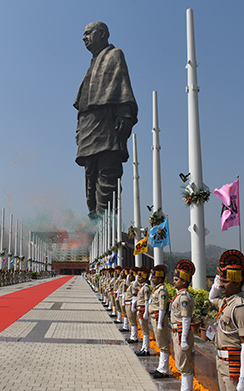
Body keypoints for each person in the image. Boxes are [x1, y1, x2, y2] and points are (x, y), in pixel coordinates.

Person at [74, 21, 138, 220]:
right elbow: (82, 102)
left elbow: (122, 85)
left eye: (88, 33)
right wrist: (79, 129)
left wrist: (125, 114)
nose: (84, 38)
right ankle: (95, 227)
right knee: (90, 182)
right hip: (88, 127)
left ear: (101, 33)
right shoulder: (92, 64)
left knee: (107, 179)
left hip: (107, 124)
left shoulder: (114, 54)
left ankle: (107, 230)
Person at [209, 250, 244, 391]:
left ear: (237, 282)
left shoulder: (240, 307)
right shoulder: (226, 303)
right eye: (221, 281)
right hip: (221, 363)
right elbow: (211, 298)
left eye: (225, 281)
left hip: (233, 367)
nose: (221, 285)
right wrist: (215, 285)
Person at [170, 260, 196, 391]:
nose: (173, 282)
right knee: (181, 362)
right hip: (177, 333)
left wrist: (184, 338)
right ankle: (184, 389)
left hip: (181, 333)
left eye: (176, 279)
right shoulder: (179, 296)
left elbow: (186, 319)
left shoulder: (184, 298)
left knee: (184, 363)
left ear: (184, 282)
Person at [149, 264, 170, 378]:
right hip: (155, 317)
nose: (152, 279)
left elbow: (162, 307)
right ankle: (160, 367)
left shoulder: (162, 290)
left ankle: (163, 369)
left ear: (160, 279)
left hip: (158, 318)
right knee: (160, 343)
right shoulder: (156, 289)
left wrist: (160, 322)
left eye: (154, 278)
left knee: (163, 344)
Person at [135, 266, 151, 356]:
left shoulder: (146, 288)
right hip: (140, 309)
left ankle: (146, 349)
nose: (138, 278)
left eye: (140, 277)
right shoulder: (141, 287)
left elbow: (146, 301)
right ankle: (143, 348)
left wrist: (145, 312)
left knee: (145, 330)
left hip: (142, 309)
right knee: (143, 330)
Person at [124, 267, 140, 343]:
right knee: (131, 320)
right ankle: (132, 336)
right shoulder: (131, 284)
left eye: (130, 275)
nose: (129, 277)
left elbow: (134, 295)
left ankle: (134, 337)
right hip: (128, 303)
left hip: (130, 303)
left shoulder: (134, 284)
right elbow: (127, 282)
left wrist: (133, 305)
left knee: (133, 321)